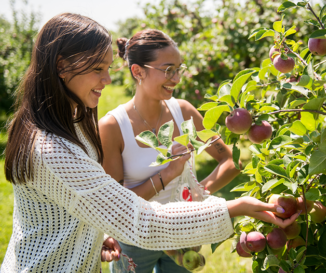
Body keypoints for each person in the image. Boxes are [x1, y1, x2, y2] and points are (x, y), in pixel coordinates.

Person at [1, 13, 299, 273]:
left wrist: (94, 233)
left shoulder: (74, 122)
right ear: (62, 66)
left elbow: (78, 203)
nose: (107, 80)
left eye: (108, 68)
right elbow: (139, 219)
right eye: (97, 69)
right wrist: (235, 207)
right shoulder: (51, 149)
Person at [98, 29, 250, 273]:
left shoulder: (184, 112)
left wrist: (196, 194)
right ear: (138, 71)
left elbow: (229, 160)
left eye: (179, 69)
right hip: (137, 236)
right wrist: (168, 174)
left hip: (183, 231)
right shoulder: (113, 127)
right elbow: (119, 206)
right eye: (168, 70)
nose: (177, 78)